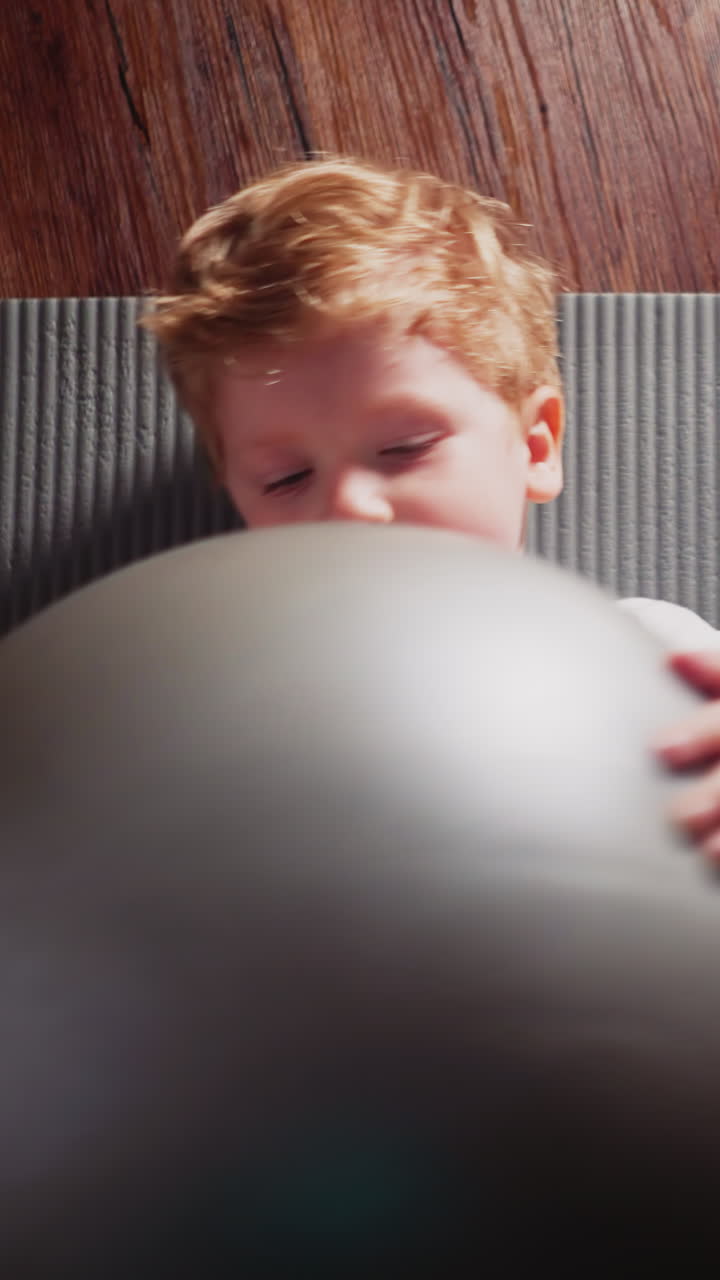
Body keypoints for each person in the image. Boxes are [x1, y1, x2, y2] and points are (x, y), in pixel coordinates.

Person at [143, 155, 720, 858]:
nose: (351, 507)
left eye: (404, 447)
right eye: (287, 478)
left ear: (535, 447)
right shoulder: (212, 707)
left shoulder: (656, 657)